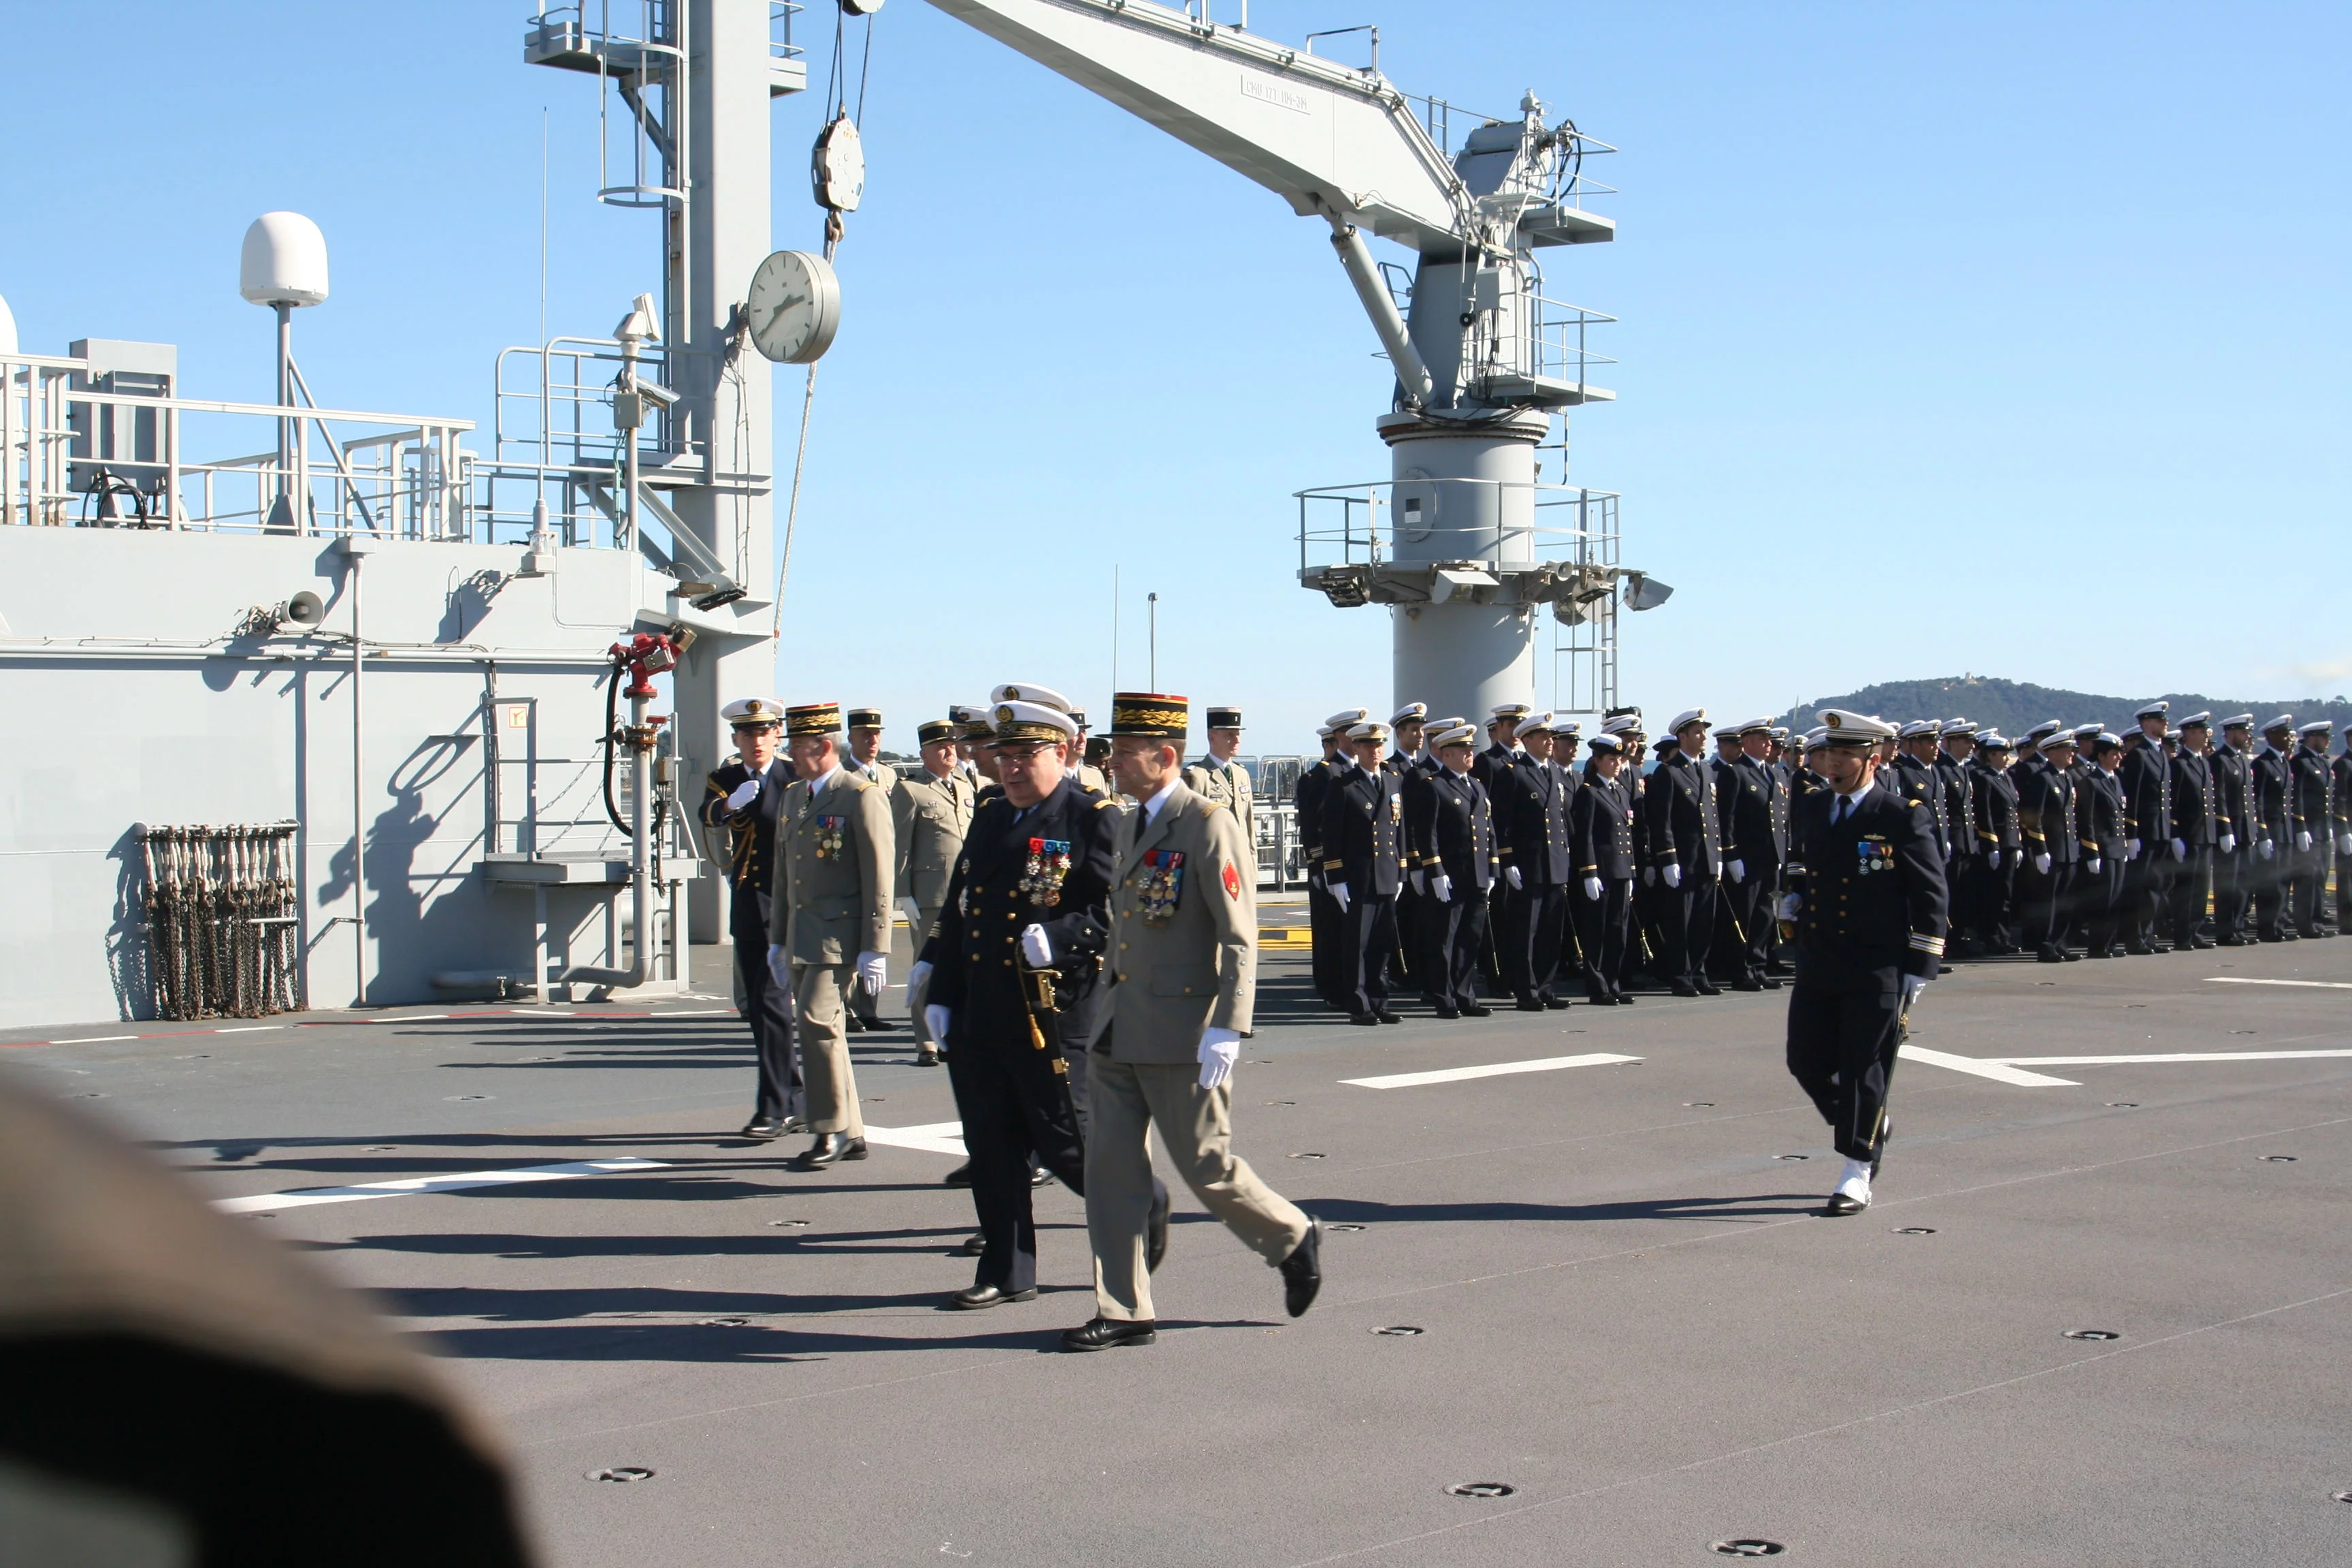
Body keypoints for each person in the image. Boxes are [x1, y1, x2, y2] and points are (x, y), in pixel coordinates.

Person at [1064, 691, 1319, 1352]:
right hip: (1119, 1028)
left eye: (1125, 754)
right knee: (1111, 1174)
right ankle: (1124, 1310)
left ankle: (1290, 1235)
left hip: (1184, 1032)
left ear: (1165, 756)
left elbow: (1240, 935)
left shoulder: (1206, 824)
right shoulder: (1125, 824)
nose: (1113, 763)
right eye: (1113, 752)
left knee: (1207, 1166)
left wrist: (1229, 1025)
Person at [917, 699, 1123, 1309]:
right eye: (1003, 756)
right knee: (990, 1143)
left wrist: (1060, 937)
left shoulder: (1091, 818)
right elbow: (964, 912)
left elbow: (1121, 913)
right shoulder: (989, 816)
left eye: (1025, 755)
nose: (1009, 768)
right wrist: (940, 985)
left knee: (1067, 1141)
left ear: (1061, 752)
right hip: (984, 1008)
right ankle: (1006, 1268)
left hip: (1052, 1014)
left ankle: (1142, 1210)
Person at [1777, 710, 1948, 1215]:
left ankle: (1856, 1168)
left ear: (1871, 758)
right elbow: (1803, 861)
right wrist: (1794, 894)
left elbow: (1930, 890)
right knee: (1804, 1060)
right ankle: (1870, 1123)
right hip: (1820, 955)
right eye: (1829, 752)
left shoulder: (1899, 813)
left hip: (1878, 963)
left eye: (1845, 754)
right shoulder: (1812, 807)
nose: (1832, 762)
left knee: (1863, 1066)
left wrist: (1922, 964)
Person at [765, 701, 894, 1170]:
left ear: (822, 746)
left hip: (839, 938)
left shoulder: (859, 795)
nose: (792, 756)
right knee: (829, 1032)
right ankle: (853, 1131)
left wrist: (876, 946)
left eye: (798, 748)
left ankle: (828, 1129)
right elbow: (784, 875)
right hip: (803, 934)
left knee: (816, 1023)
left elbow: (879, 874)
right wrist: (778, 939)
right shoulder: (794, 796)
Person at [701, 698, 804, 1139]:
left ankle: (775, 1107)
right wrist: (729, 807)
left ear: (776, 734)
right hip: (750, 904)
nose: (756, 741)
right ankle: (794, 1099)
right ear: (736, 739)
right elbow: (707, 814)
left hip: (792, 903)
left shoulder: (793, 777)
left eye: (764, 732)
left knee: (773, 1006)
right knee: (763, 1010)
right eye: (747, 734)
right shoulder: (725, 778)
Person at [894, 717, 977, 1066]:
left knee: (965, 964)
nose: (949, 750)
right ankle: (926, 1041)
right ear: (923, 752)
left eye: (952, 744)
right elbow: (898, 845)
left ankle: (956, 1032)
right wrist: (902, 893)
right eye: (940, 746)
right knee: (927, 966)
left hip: (967, 894)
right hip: (930, 894)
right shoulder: (910, 790)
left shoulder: (967, 785)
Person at [1403, 721, 1495, 1017]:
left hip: (1477, 874)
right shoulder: (1434, 786)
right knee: (1445, 939)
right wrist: (1434, 871)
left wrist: (1493, 866)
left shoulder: (1477, 786)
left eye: (1471, 749)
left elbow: (1487, 829)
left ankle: (1464, 993)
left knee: (1471, 938)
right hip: (1450, 875)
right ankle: (1443, 996)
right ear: (1446, 754)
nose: (1470, 754)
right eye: (1463, 750)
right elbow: (1425, 833)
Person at [1322, 717, 1406, 1025]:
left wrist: (1402, 872)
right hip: (1358, 876)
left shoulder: (1393, 780)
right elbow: (1331, 836)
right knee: (1357, 943)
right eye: (1369, 745)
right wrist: (1336, 877)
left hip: (1386, 872)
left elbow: (1399, 830)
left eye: (1380, 744)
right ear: (1356, 747)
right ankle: (1359, 1004)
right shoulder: (1343, 784)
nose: (1376, 751)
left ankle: (1379, 999)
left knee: (1382, 943)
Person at [1491, 713, 1572, 1010]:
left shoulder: (1556, 772)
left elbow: (1563, 821)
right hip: (1528, 865)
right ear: (1527, 741)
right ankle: (1526, 990)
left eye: (1551, 737)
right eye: (1543, 737)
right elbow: (1501, 823)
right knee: (1526, 931)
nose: (1550, 742)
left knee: (1551, 931)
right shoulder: (1513, 773)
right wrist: (1507, 860)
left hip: (1555, 864)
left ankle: (1546, 986)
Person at [1645, 710, 1723, 998]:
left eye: (1704, 732)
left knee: (1704, 920)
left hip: (1706, 859)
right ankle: (1680, 975)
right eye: (1698, 732)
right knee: (1680, 921)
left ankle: (1699, 972)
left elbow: (1713, 816)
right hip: (1682, 860)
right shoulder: (1669, 772)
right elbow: (1660, 820)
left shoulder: (1707, 770)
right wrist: (1667, 858)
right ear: (1683, 736)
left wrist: (1719, 855)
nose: (1703, 737)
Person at [838, 708, 899, 1030]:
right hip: (853, 864)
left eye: (876, 734)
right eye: (865, 734)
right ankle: (847, 1010)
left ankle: (868, 1009)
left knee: (876, 935)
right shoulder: (843, 776)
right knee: (851, 938)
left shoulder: (889, 776)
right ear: (850, 739)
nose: (872, 740)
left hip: (883, 865)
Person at [1297, 713, 1362, 1009]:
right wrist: (1318, 864)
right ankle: (1331, 986)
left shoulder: (1360, 770)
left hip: (1355, 864)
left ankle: (1349, 984)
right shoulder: (1325, 773)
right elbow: (1314, 824)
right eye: (1353, 732)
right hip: (1330, 866)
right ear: (1340, 737)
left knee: (1351, 930)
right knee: (1330, 929)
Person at [1569, 732, 1637, 1005]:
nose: (1618, 764)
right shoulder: (1589, 792)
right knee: (1597, 931)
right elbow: (1583, 835)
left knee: (1617, 931)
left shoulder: (1620, 790)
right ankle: (1598, 986)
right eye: (1612, 759)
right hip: (1602, 871)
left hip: (1621, 870)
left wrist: (1631, 871)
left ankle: (1613, 982)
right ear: (1597, 761)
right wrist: (1589, 872)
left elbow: (1626, 834)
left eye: (1620, 759)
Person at [1717, 717, 1785, 990]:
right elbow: (1727, 817)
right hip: (1747, 857)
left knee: (1766, 913)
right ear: (1746, 743)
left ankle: (1758, 965)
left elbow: (1780, 817)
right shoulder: (1737, 772)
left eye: (1769, 739)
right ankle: (1741, 968)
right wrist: (1731, 855)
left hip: (1771, 856)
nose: (1768, 744)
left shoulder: (1775, 774)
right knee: (1745, 913)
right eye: (1762, 739)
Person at [2018, 729, 2082, 960]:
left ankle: (2060, 942)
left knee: (2066, 899)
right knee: (2050, 900)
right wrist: (2040, 850)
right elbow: (2033, 817)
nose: (2071, 754)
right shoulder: (2042, 778)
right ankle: (2046, 945)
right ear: (2052, 752)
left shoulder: (2065, 776)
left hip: (2068, 848)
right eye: (2067, 750)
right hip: (2052, 849)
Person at [2119, 701, 2174, 953]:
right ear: (2147, 724)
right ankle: (2135, 938)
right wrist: (2132, 833)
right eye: (2160, 720)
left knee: (2155, 886)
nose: (2165, 724)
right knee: (2141, 888)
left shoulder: (2160, 753)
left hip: (2160, 831)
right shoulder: (2138, 755)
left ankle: (2147, 935)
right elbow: (2134, 798)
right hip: (2144, 832)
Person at [2166, 713, 2219, 949]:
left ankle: (2195, 929)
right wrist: (2175, 835)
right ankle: (2183, 934)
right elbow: (2172, 803)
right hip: (2187, 835)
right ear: (2188, 735)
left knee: (2201, 887)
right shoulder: (2179, 765)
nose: (2206, 736)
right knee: (2186, 888)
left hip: (2205, 834)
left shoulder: (2203, 762)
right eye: (2200, 732)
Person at [1966, 734, 2022, 952]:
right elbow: (1985, 814)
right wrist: (1992, 847)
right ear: (1991, 755)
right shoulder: (1983, 777)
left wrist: (2017, 844)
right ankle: (1992, 936)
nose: (2007, 758)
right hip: (1997, 842)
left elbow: (2013, 811)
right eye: (2003, 754)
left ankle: (2003, 936)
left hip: (2010, 842)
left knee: (2005, 893)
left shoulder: (2005, 777)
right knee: (1994, 894)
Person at [2078, 734, 2132, 957]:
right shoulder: (2091, 782)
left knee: (2116, 898)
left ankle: (2110, 944)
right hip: (2103, 847)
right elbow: (2087, 820)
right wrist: (2092, 852)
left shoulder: (2115, 779)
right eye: (2114, 754)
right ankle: (2098, 945)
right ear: (2101, 756)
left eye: (2120, 753)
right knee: (2104, 899)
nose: (2119, 757)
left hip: (2117, 846)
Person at [2210, 714, 2258, 944]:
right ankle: (2226, 930)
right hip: (2230, 831)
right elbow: (2219, 798)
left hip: (2246, 830)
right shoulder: (2220, 760)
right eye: (2243, 732)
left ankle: (2238, 927)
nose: (2247, 736)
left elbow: (2249, 798)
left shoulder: (2242, 759)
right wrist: (2225, 828)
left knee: (2244, 884)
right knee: (2228, 885)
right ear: (2230, 733)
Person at [1182, 705, 1256, 847]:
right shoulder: (1197, 776)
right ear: (1212, 738)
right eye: (1230, 735)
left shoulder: (1242, 774)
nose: (1237, 740)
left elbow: (1249, 824)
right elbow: (1189, 827)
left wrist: (1252, 864)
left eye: (1238, 734)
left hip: (1240, 859)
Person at [2290, 719, 2338, 938]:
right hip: (2308, 829)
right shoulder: (2300, 763)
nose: (2327, 742)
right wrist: (2301, 826)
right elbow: (2296, 796)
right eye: (2324, 738)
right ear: (2312, 738)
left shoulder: (2322, 762)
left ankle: (2317, 921)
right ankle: (2306, 923)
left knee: (2320, 877)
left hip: (2322, 829)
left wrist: (2329, 826)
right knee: (2307, 880)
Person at [2250, 717, 2296, 941]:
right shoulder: (2262, 764)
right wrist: (2263, 833)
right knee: (2270, 884)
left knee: (2284, 882)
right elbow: (2256, 802)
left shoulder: (2284, 762)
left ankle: (2279, 925)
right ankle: (2268, 928)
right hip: (2272, 831)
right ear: (2272, 737)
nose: (2289, 739)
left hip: (2285, 831)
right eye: (2284, 735)